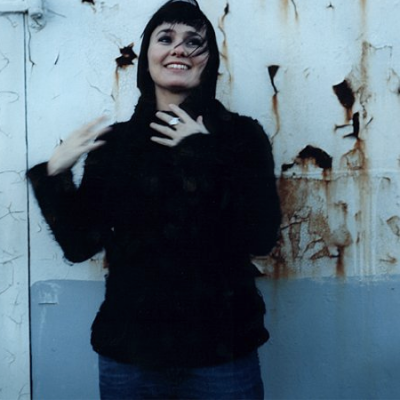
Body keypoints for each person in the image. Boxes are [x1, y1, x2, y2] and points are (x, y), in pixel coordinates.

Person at [27, 0, 281, 398]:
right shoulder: (115, 145)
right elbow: (80, 244)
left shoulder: (241, 137)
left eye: (194, 41)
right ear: (147, 55)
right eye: (166, 38)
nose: (179, 49)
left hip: (222, 351)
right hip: (130, 354)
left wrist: (202, 154)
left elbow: (260, 236)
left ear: (209, 60)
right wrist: (54, 176)